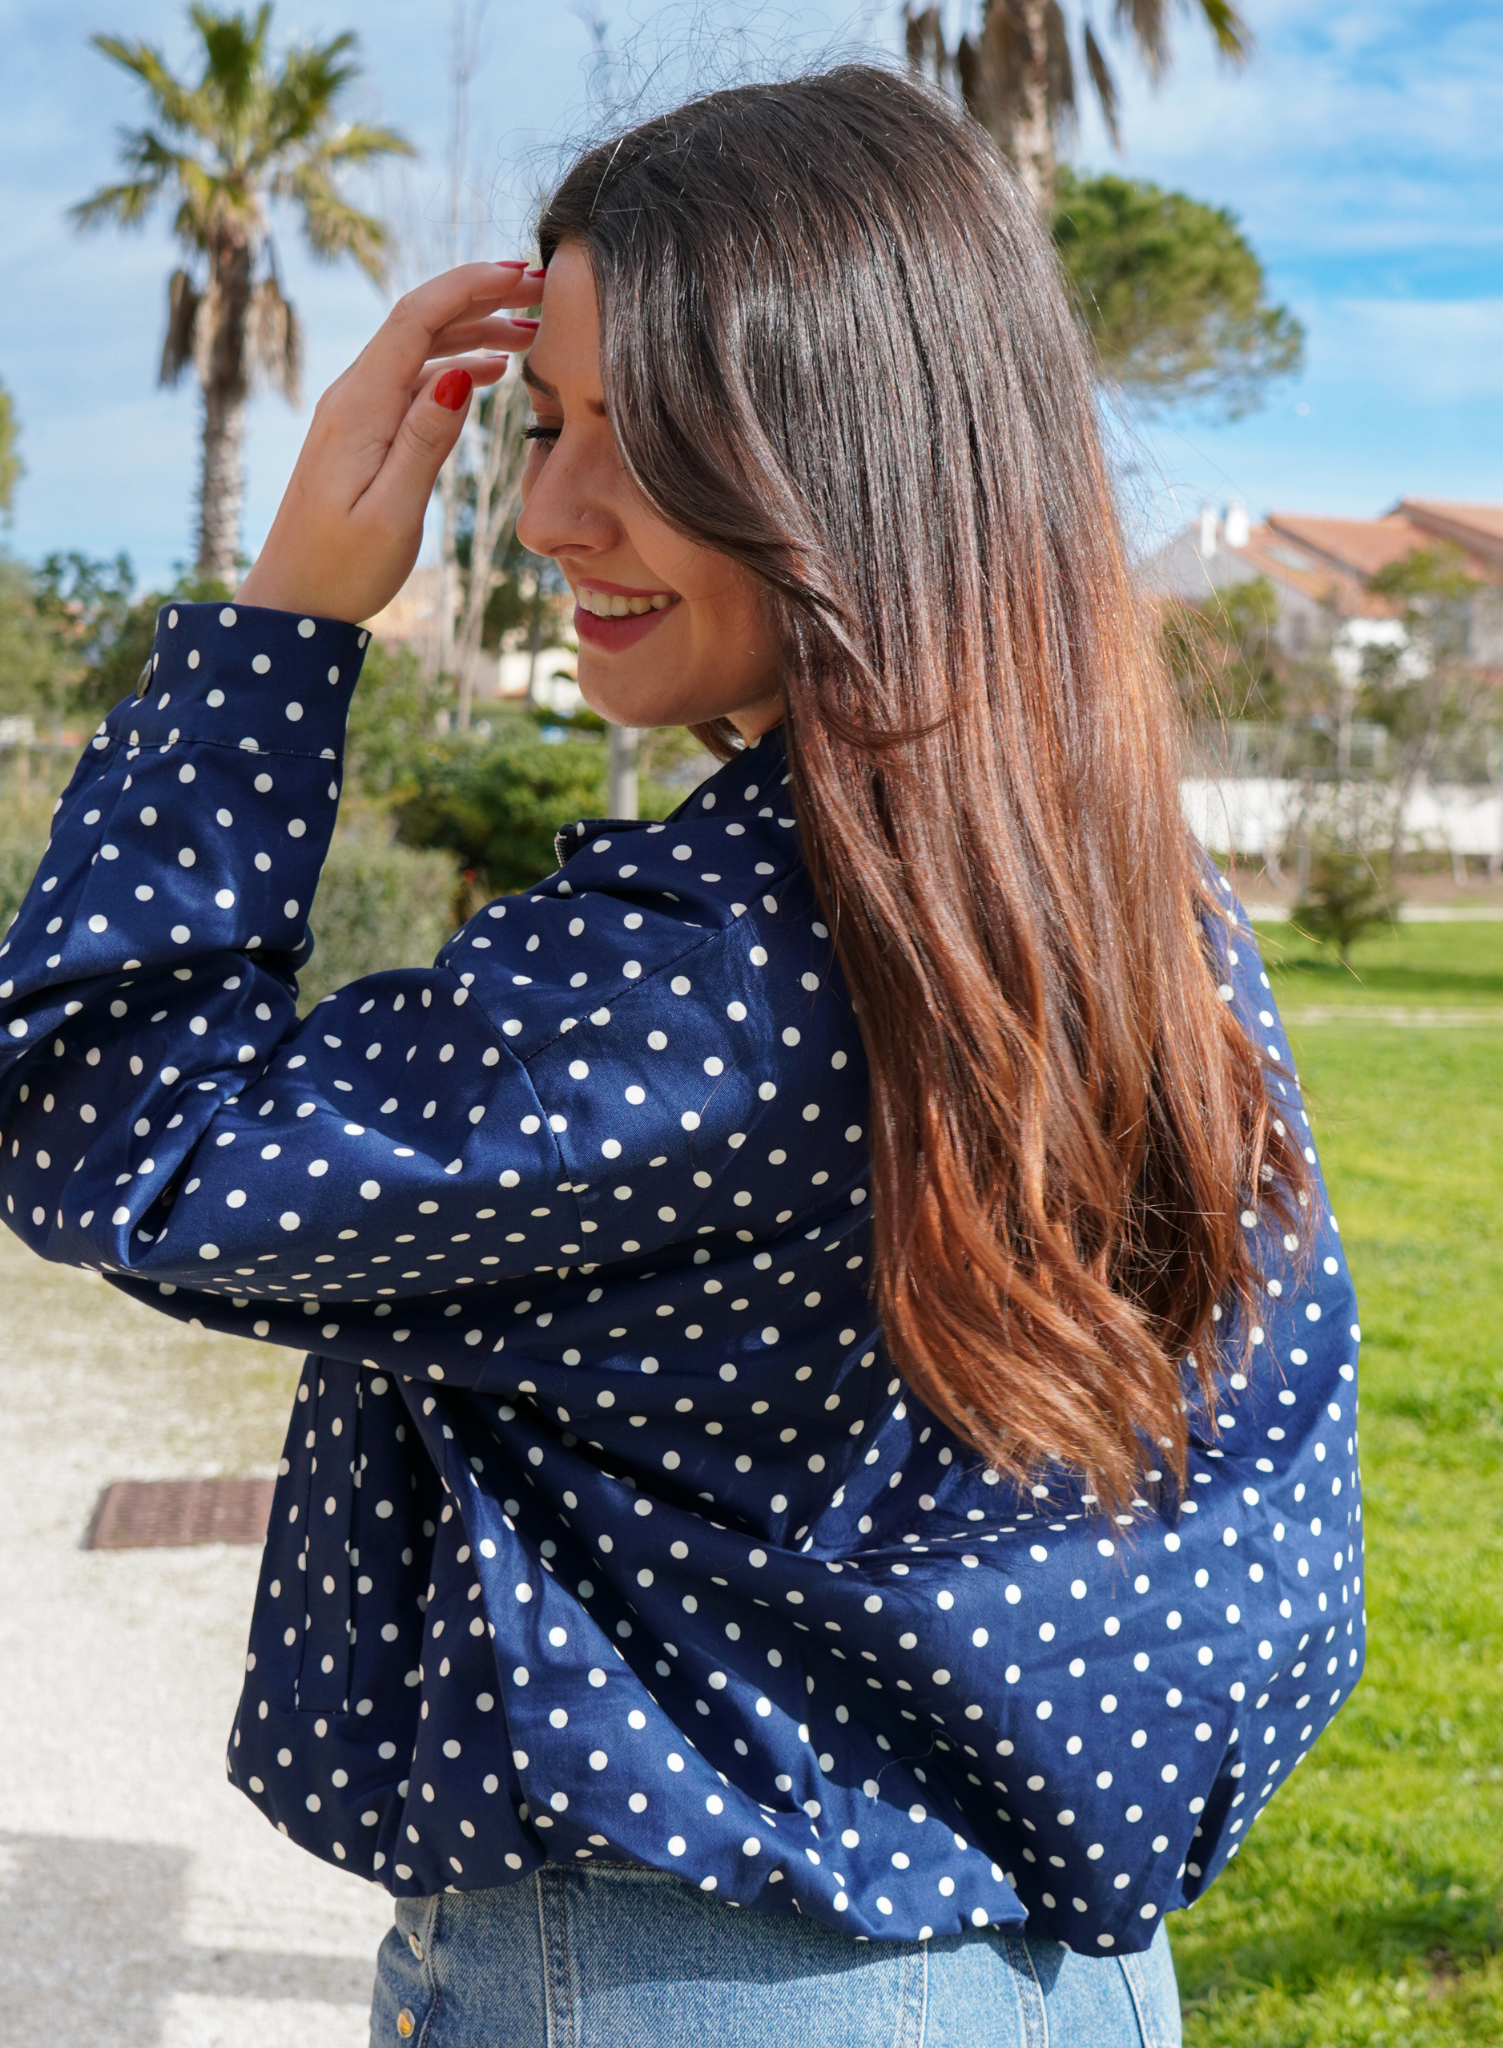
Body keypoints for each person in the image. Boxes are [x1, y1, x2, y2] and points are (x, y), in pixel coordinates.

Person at [0, 64, 1362, 2048]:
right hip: (1052, 1971)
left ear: (842, 457)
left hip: (694, 1972)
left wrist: (282, 620)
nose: (545, 511)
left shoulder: (711, 972)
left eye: (642, 436)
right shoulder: (1119, 899)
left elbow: (114, 1129)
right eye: (544, 422)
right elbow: (1258, 1485)